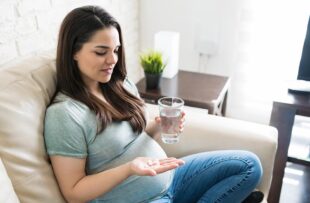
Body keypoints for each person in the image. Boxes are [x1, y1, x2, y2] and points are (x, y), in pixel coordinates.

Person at [44, 5, 263, 203]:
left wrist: (158, 126)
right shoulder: (65, 114)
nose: (113, 60)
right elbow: (73, 191)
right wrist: (128, 169)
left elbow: (133, 136)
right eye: (101, 52)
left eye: (116, 50)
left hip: (173, 177)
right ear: (73, 51)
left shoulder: (118, 85)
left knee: (249, 166)